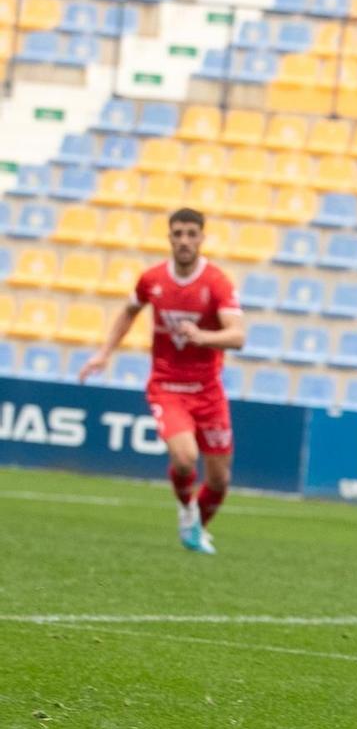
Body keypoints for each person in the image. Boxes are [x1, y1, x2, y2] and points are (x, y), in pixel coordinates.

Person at [77, 207, 245, 555]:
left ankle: (196, 527)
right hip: (167, 385)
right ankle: (187, 513)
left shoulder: (216, 283)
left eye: (191, 234)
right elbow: (128, 311)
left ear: (201, 238)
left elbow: (237, 336)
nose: (184, 241)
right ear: (169, 237)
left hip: (209, 390)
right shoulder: (151, 279)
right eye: (178, 233)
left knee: (219, 480)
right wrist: (104, 353)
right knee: (184, 458)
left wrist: (202, 336)